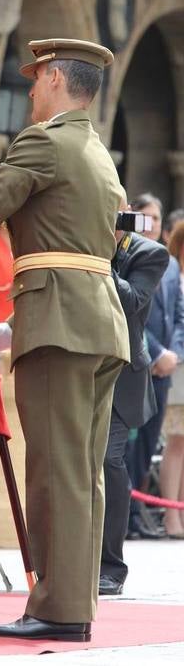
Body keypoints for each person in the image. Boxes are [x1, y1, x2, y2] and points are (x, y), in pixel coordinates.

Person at [0, 38, 129, 643]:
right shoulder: (96, 150)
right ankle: (74, 602)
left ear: (59, 81)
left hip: (60, 324)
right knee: (82, 472)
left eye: (38, 79)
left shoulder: (43, 141)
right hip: (94, 320)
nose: (32, 90)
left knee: (56, 471)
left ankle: (59, 610)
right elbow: (83, 246)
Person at [99, 201, 169, 595]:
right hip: (82, 366)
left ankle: (111, 568)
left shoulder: (149, 253)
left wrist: (100, 254)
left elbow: (131, 302)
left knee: (110, 461)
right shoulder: (77, 244)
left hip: (123, 374)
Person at [125, 193, 184, 539]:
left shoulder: (172, 264)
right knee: (129, 444)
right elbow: (134, 313)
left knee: (148, 443)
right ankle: (126, 517)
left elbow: (177, 314)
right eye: (145, 218)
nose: (151, 226)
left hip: (166, 367)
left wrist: (173, 354)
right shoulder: (128, 256)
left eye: (157, 220)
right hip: (139, 361)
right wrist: (156, 353)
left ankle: (136, 516)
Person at [159, 219, 184, 538]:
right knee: (177, 441)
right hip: (178, 365)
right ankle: (170, 515)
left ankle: (180, 509)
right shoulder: (171, 273)